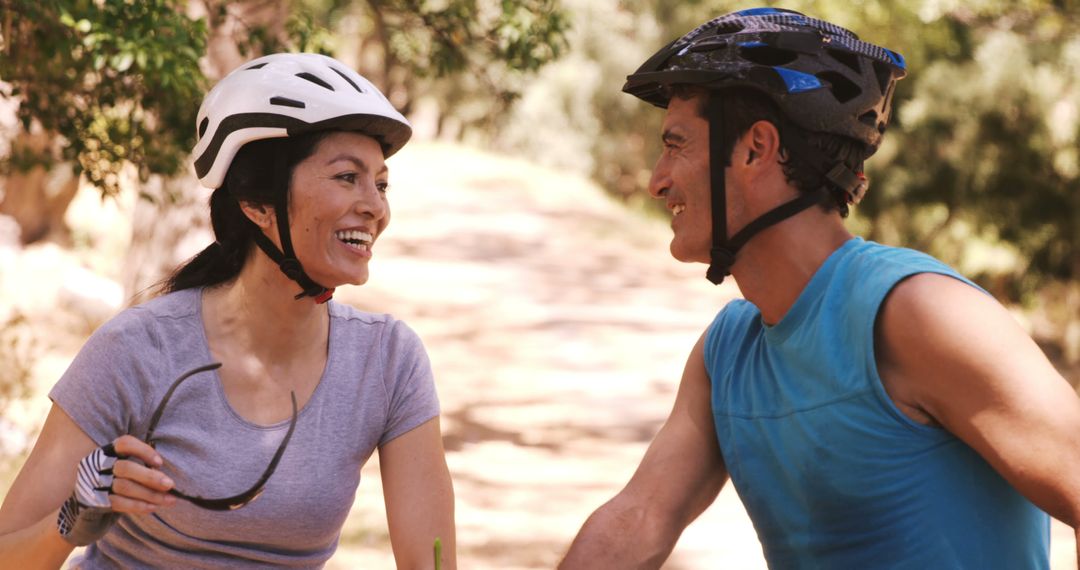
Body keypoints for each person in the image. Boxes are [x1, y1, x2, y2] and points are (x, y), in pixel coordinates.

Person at [561, 8, 1080, 569]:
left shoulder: (919, 311)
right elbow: (641, 517)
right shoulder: (727, 354)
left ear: (756, 149)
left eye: (676, 143)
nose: (656, 180)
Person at [0, 52, 456, 568]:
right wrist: (75, 513)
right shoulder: (137, 350)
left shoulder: (388, 362)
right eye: (348, 177)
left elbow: (431, 562)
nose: (376, 206)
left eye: (381, 183)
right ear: (258, 203)